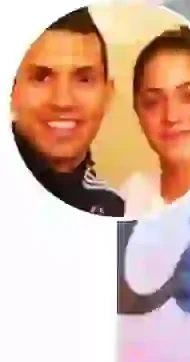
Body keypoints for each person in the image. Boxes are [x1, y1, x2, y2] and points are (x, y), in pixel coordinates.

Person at [11, 7, 125, 217]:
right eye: (41, 77)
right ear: (11, 91)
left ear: (107, 95)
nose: (63, 101)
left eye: (84, 79)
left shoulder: (111, 209)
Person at [120, 26, 190, 216]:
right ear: (138, 114)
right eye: (152, 102)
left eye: (189, 95)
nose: (171, 116)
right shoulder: (132, 196)